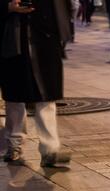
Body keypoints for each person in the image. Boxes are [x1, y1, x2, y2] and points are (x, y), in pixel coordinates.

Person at [0, 0, 72, 167]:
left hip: (46, 41)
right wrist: (8, 7)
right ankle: (14, 144)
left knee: (46, 97)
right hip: (13, 41)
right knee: (15, 98)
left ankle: (50, 150)